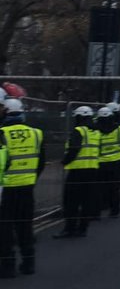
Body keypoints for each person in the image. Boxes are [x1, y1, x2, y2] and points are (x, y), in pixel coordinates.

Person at [0, 98, 43, 276]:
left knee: (5, 229)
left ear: (6, 112)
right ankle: (28, 263)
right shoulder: (36, 133)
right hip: (27, 187)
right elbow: (41, 162)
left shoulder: (2, 133)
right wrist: (30, 178)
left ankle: (7, 267)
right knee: (25, 226)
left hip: (6, 189)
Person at [55, 105, 99, 239]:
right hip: (92, 171)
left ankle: (70, 228)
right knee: (86, 201)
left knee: (71, 202)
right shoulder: (95, 132)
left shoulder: (79, 131)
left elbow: (74, 149)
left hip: (77, 172)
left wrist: (64, 161)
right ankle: (83, 228)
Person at [94, 106, 120, 218]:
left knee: (99, 187)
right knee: (114, 187)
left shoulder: (95, 130)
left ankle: (98, 210)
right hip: (115, 162)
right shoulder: (119, 129)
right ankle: (115, 210)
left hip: (100, 162)